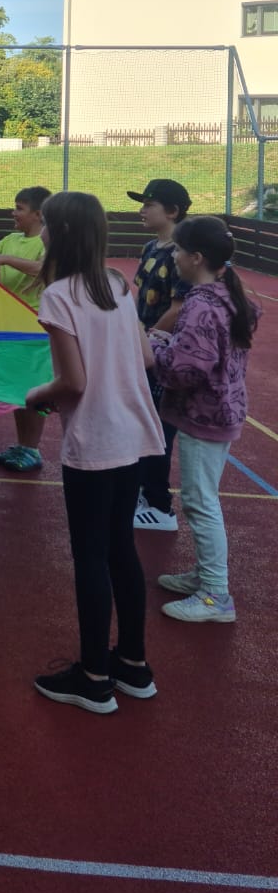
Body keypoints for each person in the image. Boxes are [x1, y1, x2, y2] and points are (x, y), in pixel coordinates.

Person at [25, 192, 165, 713]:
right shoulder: (116, 283)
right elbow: (146, 356)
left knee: (89, 555)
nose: (40, 231)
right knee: (120, 549)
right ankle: (132, 664)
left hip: (95, 439)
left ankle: (93, 677)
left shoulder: (58, 296)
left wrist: (35, 396)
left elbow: (74, 382)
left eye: (45, 223)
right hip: (133, 434)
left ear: (58, 232)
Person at [149, 217, 258, 625]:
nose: (174, 256)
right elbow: (205, 353)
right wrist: (172, 342)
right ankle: (205, 576)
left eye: (179, 250)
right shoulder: (227, 295)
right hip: (220, 409)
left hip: (205, 414)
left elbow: (187, 370)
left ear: (196, 257)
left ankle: (215, 595)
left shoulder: (200, 304)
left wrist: (153, 351)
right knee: (202, 497)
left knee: (199, 501)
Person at [0, 185, 51, 472]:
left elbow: (41, 269)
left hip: (34, 328)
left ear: (38, 214)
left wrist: (2, 259)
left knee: (35, 391)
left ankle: (33, 447)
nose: (13, 213)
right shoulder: (10, 239)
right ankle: (23, 444)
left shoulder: (46, 241)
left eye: (19, 208)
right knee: (19, 390)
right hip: (8, 326)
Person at [128, 178, 192, 532]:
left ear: (172, 211)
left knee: (158, 427)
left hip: (163, 354)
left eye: (148, 205)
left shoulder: (182, 253)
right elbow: (141, 296)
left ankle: (159, 506)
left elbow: (179, 308)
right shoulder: (152, 246)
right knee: (141, 421)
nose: (142, 210)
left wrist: (148, 340)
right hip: (145, 347)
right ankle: (142, 491)